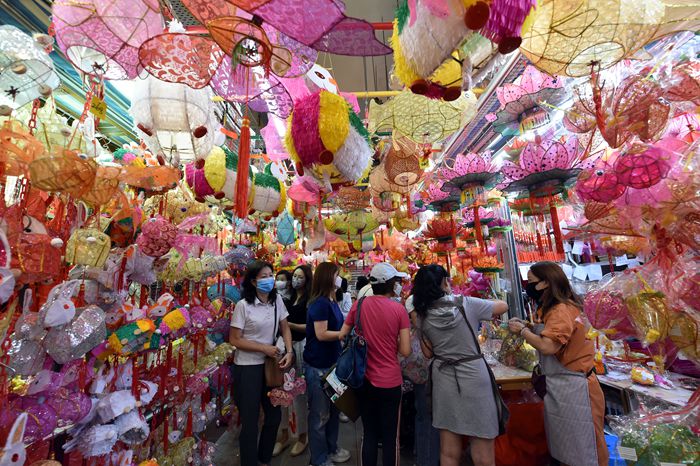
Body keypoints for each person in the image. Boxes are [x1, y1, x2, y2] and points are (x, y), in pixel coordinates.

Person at [508, 261, 607, 466]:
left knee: (585, 451)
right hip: (561, 388)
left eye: (531, 281)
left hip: (577, 389)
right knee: (567, 451)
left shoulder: (561, 310)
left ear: (545, 283)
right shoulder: (552, 309)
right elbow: (550, 334)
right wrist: (529, 327)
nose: (528, 286)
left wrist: (523, 331)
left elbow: (548, 346)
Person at [412, 264, 508, 466]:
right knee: (483, 453)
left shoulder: (421, 314)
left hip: (444, 379)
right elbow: (502, 306)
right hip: (474, 376)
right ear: (444, 283)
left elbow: (428, 353)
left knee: (448, 452)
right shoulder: (465, 303)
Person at [339, 263, 411, 466]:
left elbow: (343, 334)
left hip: (363, 380)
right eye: (397, 281)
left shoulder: (359, 305)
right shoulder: (399, 310)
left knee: (369, 433)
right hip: (390, 382)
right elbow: (405, 350)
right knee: (390, 437)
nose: (398, 285)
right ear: (390, 284)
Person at [230, 261, 294, 466]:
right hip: (247, 367)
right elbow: (235, 339)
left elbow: (285, 328)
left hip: (270, 367)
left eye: (270, 275)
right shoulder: (243, 306)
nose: (269, 280)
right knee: (250, 422)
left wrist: (289, 351)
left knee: (274, 416)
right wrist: (263, 348)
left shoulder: (277, 301)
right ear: (253, 281)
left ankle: (263, 459)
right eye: (263, 276)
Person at [304, 262, 351, 466]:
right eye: (336, 275)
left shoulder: (332, 300)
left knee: (333, 412)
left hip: (333, 365)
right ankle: (319, 459)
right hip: (318, 366)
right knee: (320, 416)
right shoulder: (320, 303)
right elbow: (321, 334)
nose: (339, 278)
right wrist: (342, 333)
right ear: (327, 278)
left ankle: (332, 448)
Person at [274, 265, 313, 457]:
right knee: (281, 390)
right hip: (283, 347)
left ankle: (302, 436)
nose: (296, 279)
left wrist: (288, 325)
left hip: (301, 348)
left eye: (300, 276)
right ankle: (283, 434)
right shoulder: (286, 298)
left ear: (307, 279)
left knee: (299, 393)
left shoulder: (310, 300)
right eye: (294, 276)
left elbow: (311, 327)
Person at [405, 293, 440, 466]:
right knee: (427, 414)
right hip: (424, 364)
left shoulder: (415, 300)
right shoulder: (414, 300)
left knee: (423, 413)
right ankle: (426, 459)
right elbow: (420, 328)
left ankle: (422, 455)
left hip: (422, 365)